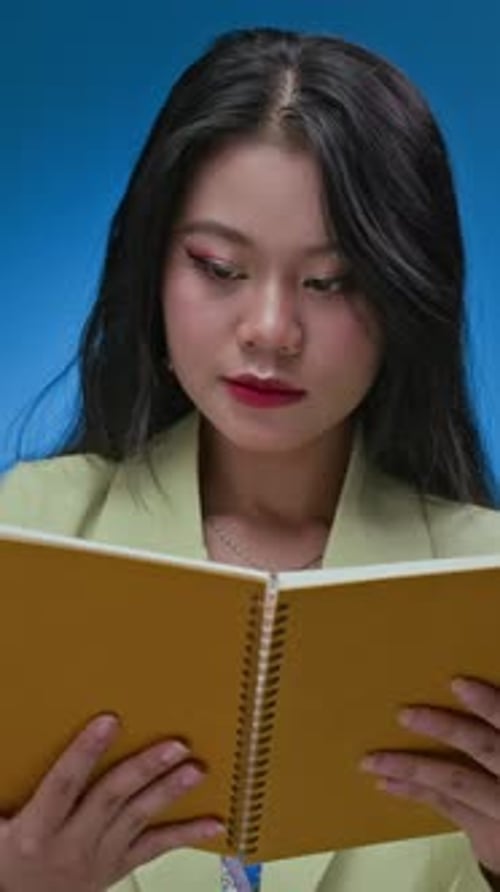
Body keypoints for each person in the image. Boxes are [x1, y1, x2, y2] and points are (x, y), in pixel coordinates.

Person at [1, 24, 500, 892]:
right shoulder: (26, 536)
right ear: (153, 270)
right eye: (219, 266)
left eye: (330, 281)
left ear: (406, 295)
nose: (271, 330)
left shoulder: (485, 584)